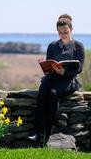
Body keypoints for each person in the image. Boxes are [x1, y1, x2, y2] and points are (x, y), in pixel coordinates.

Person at [28, 14, 85, 145]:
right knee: (42, 93)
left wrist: (64, 72)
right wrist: (45, 65)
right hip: (52, 77)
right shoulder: (52, 46)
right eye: (60, 33)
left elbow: (79, 68)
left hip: (68, 80)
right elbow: (49, 63)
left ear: (71, 29)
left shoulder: (78, 46)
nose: (63, 34)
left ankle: (46, 133)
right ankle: (36, 133)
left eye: (65, 32)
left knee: (53, 94)